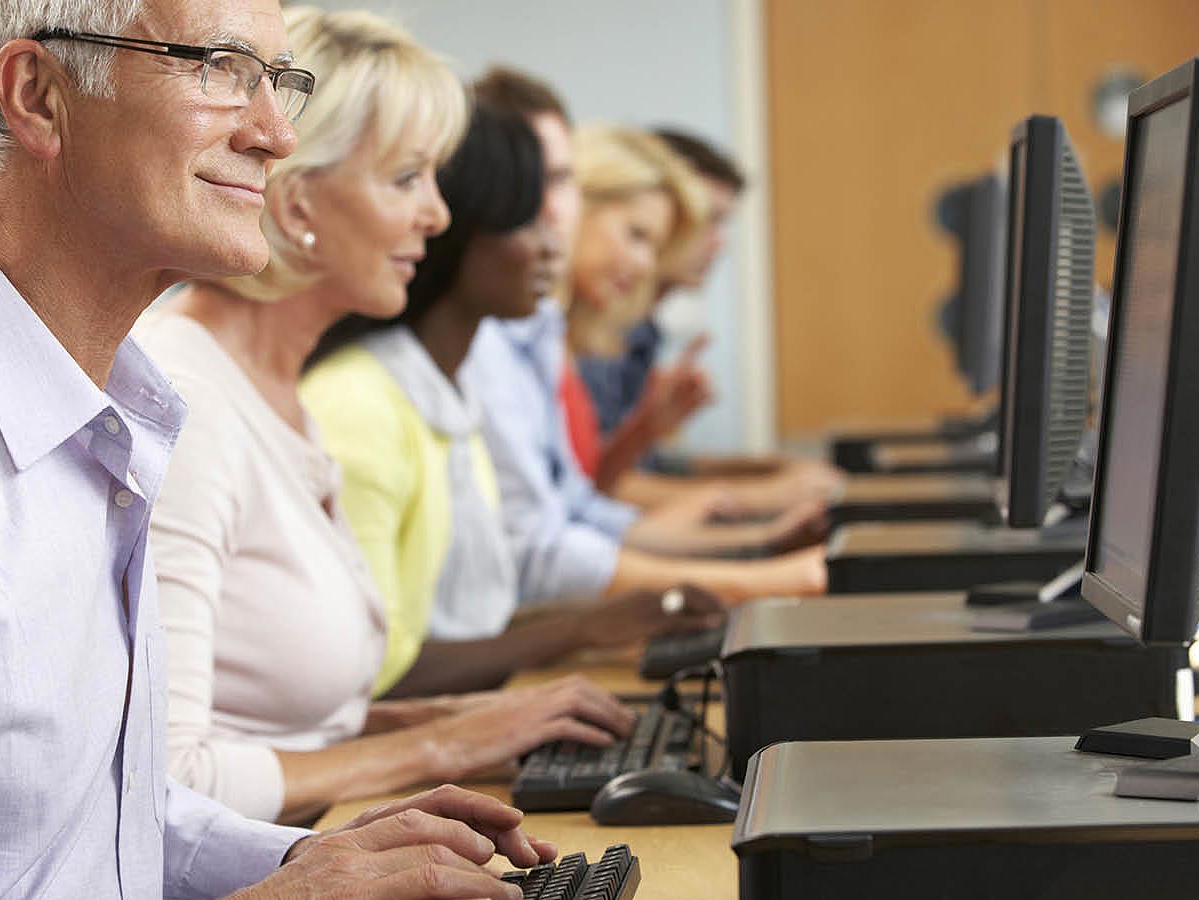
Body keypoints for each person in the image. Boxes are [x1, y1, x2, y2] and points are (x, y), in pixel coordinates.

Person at [0, 2, 557, 897]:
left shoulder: (111, 411)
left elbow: (83, 823)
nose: (276, 134)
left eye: (278, 82)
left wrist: (303, 859)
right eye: (221, 70)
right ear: (38, 96)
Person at [135, 9, 642, 830]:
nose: (438, 217)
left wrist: (456, 724)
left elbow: (276, 724)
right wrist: (432, 750)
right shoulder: (184, 399)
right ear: (298, 201)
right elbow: (162, 779)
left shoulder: (281, 391)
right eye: (408, 178)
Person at [301, 101, 725, 701]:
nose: (553, 247)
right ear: (461, 231)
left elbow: (471, 614)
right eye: (527, 221)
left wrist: (594, 624)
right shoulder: (362, 399)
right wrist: (580, 627)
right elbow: (375, 673)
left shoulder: (454, 384)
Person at [465, 66, 829, 607]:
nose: (644, 263)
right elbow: (546, 545)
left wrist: (758, 542)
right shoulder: (502, 337)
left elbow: (577, 507)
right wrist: (759, 566)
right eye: (635, 236)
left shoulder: (542, 333)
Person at [579, 127, 847, 486]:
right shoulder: (594, 331)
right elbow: (597, 490)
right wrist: (755, 497)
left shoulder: (643, 330)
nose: (718, 244)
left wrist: (766, 471)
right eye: (708, 220)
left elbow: (637, 468)